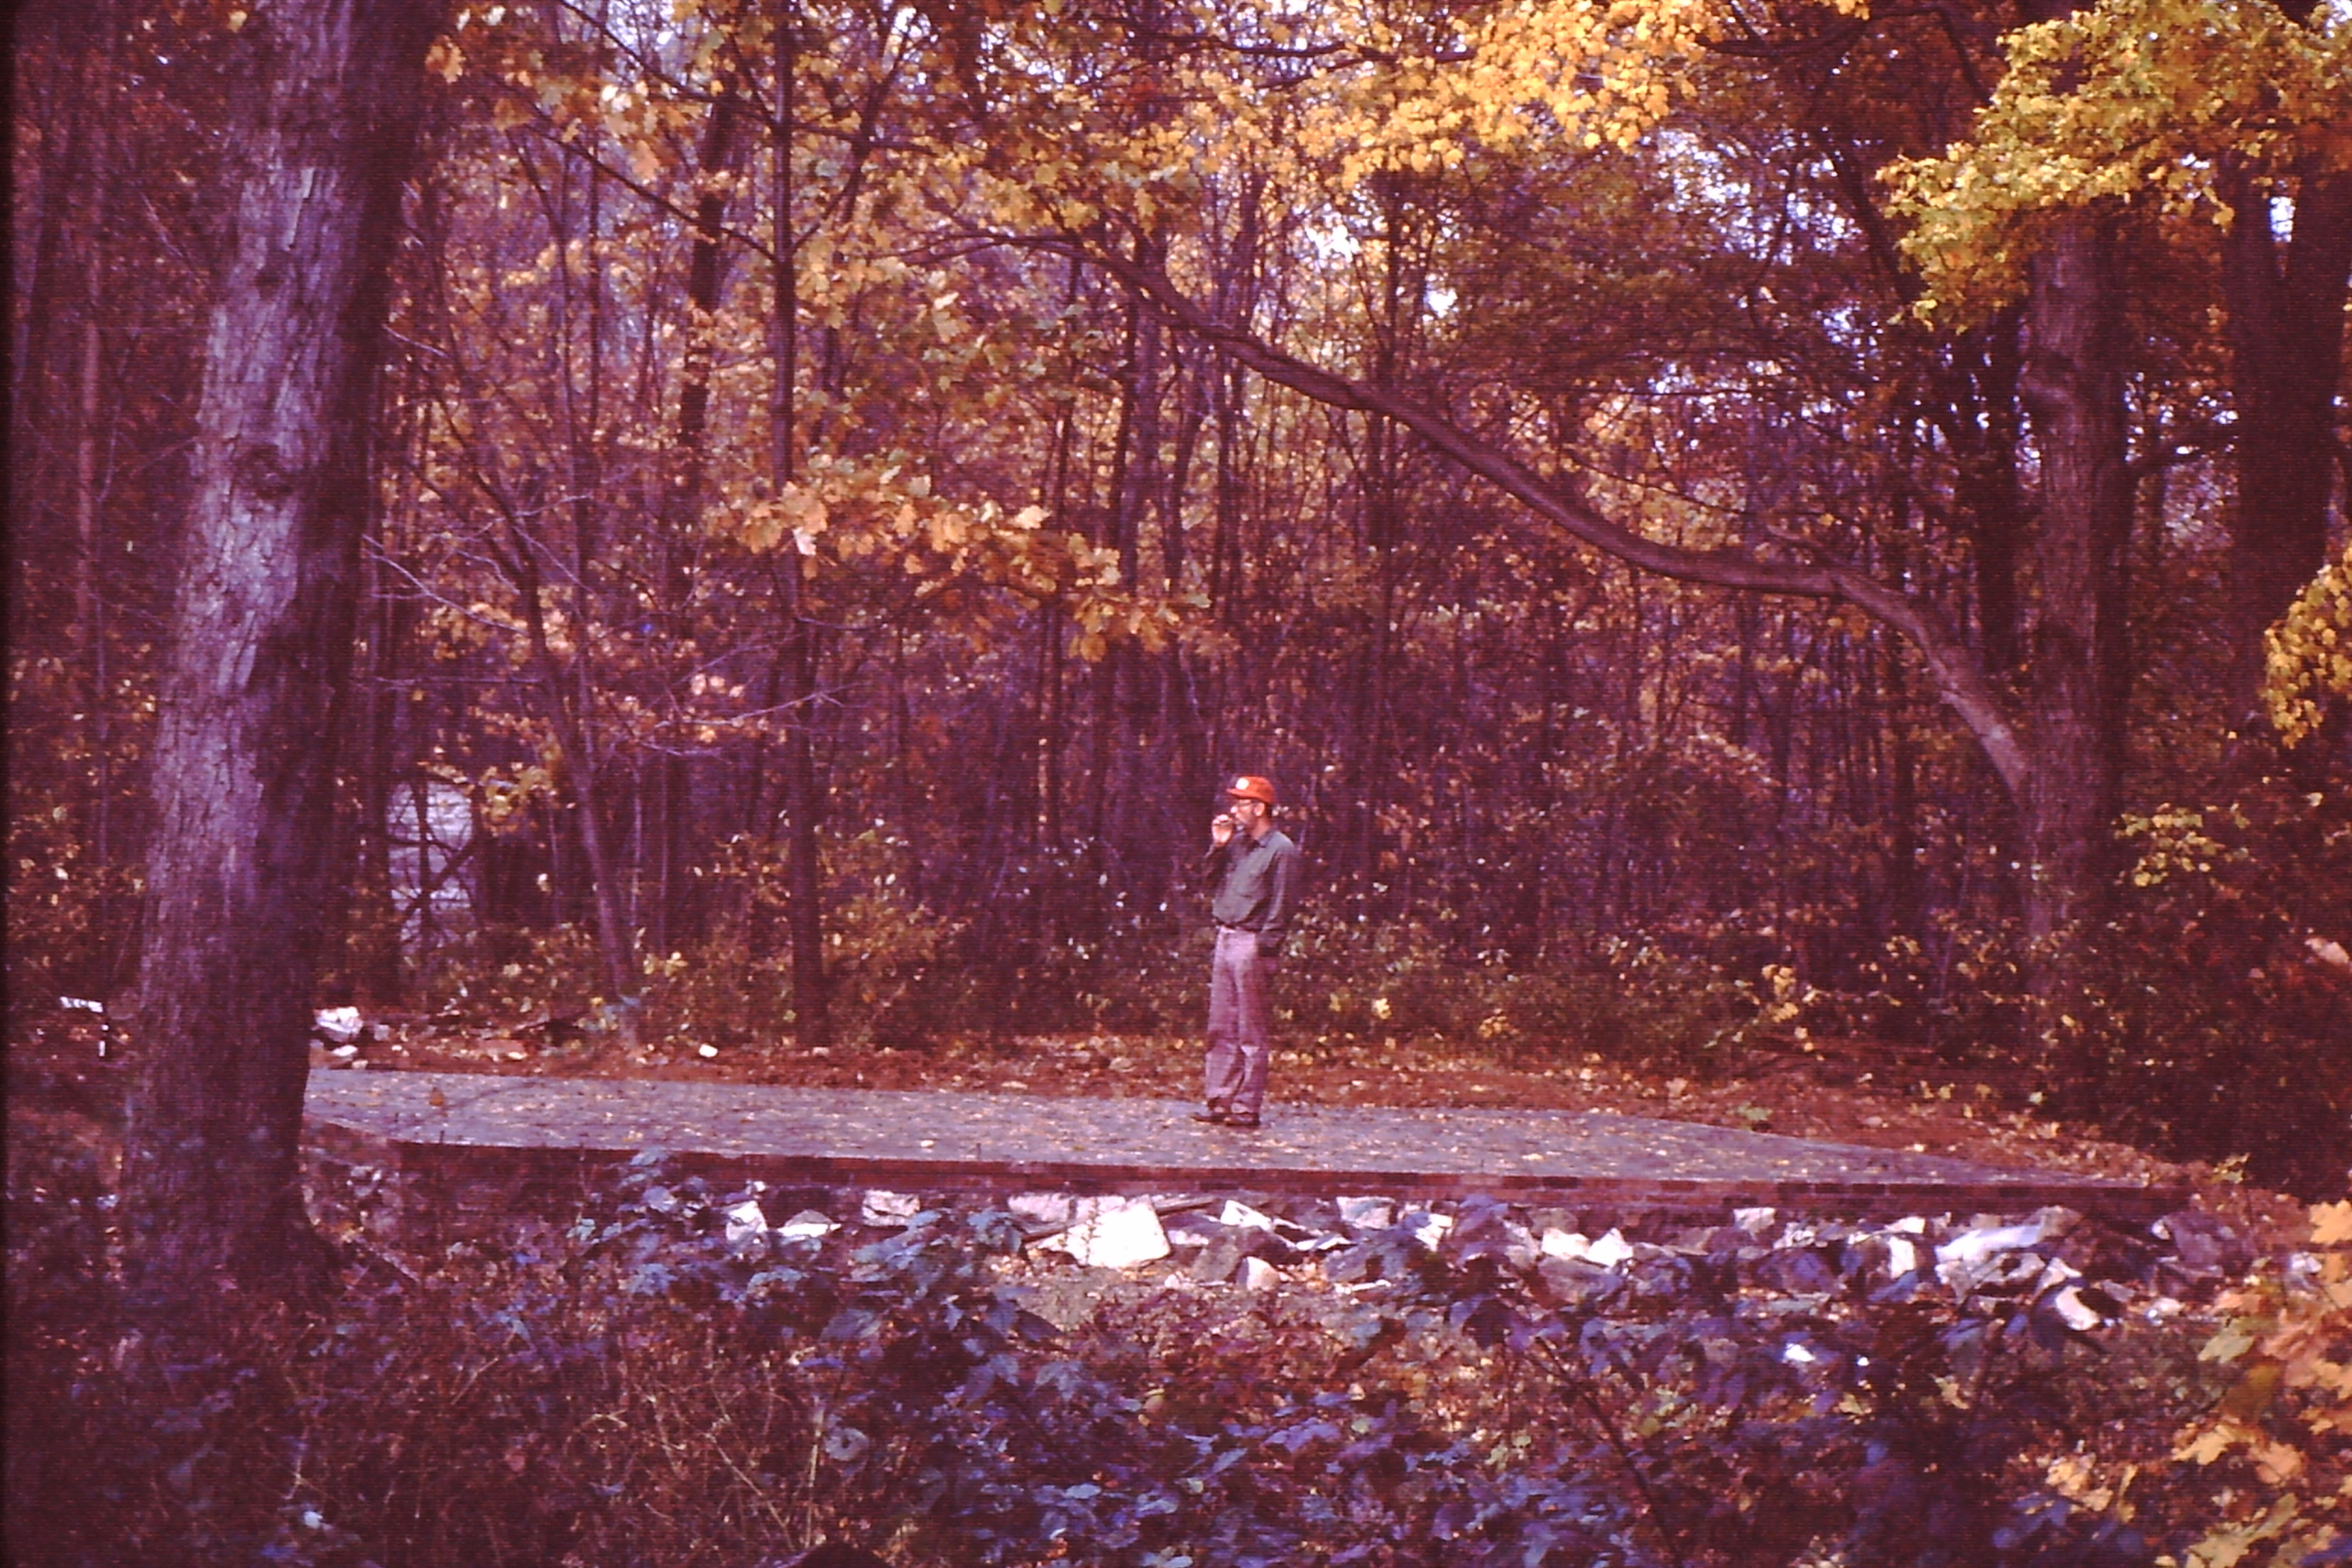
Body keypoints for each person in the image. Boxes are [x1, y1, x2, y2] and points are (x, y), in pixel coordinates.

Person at [1193, 774, 1301, 1129]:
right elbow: (1207, 883)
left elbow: (1283, 905)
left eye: (1241, 803)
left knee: (1250, 1031)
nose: (1235, 810)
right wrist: (1219, 846)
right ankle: (1219, 1100)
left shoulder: (1281, 850)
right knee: (1220, 1026)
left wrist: (1267, 949)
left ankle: (1245, 1106)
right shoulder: (1235, 843)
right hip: (1226, 936)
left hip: (1252, 942)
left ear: (1259, 808)